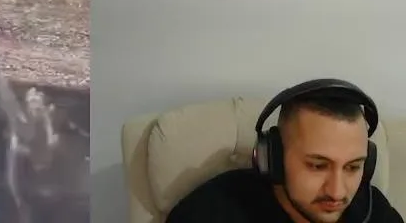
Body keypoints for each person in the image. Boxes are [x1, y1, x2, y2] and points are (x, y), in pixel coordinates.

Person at [167, 80, 403, 223]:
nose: (337, 191)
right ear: (274, 158)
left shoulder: (373, 211)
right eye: (318, 166)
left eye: (353, 167)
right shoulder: (211, 212)